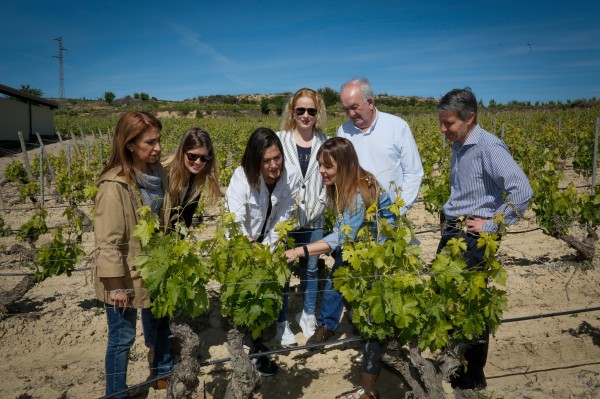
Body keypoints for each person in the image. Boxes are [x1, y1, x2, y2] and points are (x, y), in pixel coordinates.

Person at [308, 77, 424, 346]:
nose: (350, 114)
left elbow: (413, 172)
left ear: (370, 102)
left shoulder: (397, 127)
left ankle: (380, 328)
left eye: (354, 107)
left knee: (384, 273)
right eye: (346, 108)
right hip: (352, 214)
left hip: (386, 217)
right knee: (342, 267)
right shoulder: (344, 130)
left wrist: (398, 210)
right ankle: (327, 324)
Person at [436, 88, 533, 390]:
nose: (443, 129)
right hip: (454, 231)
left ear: (469, 118)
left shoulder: (489, 146)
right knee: (447, 296)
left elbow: (523, 191)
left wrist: (491, 225)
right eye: (441, 122)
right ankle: (453, 361)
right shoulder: (459, 144)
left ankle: (471, 376)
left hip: (473, 236)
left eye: (448, 123)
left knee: (471, 305)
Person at [284, 137, 394, 399]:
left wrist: (300, 250)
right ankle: (328, 326)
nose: (321, 170)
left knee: (372, 316)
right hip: (360, 250)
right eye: (320, 165)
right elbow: (345, 233)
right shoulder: (344, 186)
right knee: (336, 281)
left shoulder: (359, 191)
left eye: (327, 166)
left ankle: (368, 386)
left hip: (377, 258)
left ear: (343, 165)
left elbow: (339, 237)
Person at [93, 111, 174, 398]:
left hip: (154, 266)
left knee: (161, 320)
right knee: (122, 338)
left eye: (159, 140)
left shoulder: (158, 171)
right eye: (150, 142)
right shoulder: (114, 184)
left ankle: (163, 372)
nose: (158, 148)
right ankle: (116, 392)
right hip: (124, 274)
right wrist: (116, 286)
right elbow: (108, 241)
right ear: (129, 144)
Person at [226, 127, 300, 374]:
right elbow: (234, 221)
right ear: (255, 160)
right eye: (266, 160)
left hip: (269, 245)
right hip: (242, 246)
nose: (273, 165)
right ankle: (248, 346)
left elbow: (284, 218)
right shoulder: (241, 178)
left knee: (266, 294)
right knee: (245, 298)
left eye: (277, 157)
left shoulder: (290, 178)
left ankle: (257, 343)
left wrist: (267, 250)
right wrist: (251, 249)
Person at [276, 88, 328, 340]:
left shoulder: (325, 142)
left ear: (317, 113)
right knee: (283, 273)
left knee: (311, 269)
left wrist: (321, 203)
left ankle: (307, 315)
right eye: (300, 110)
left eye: (311, 111)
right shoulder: (279, 139)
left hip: (316, 218)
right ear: (292, 112)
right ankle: (282, 321)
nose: (306, 115)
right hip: (286, 220)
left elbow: (331, 180)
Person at [163, 127, 220, 229]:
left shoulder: (197, 180)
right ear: (182, 152)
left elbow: (186, 220)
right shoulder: (164, 175)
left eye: (204, 158)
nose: (198, 162)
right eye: (192, 156)